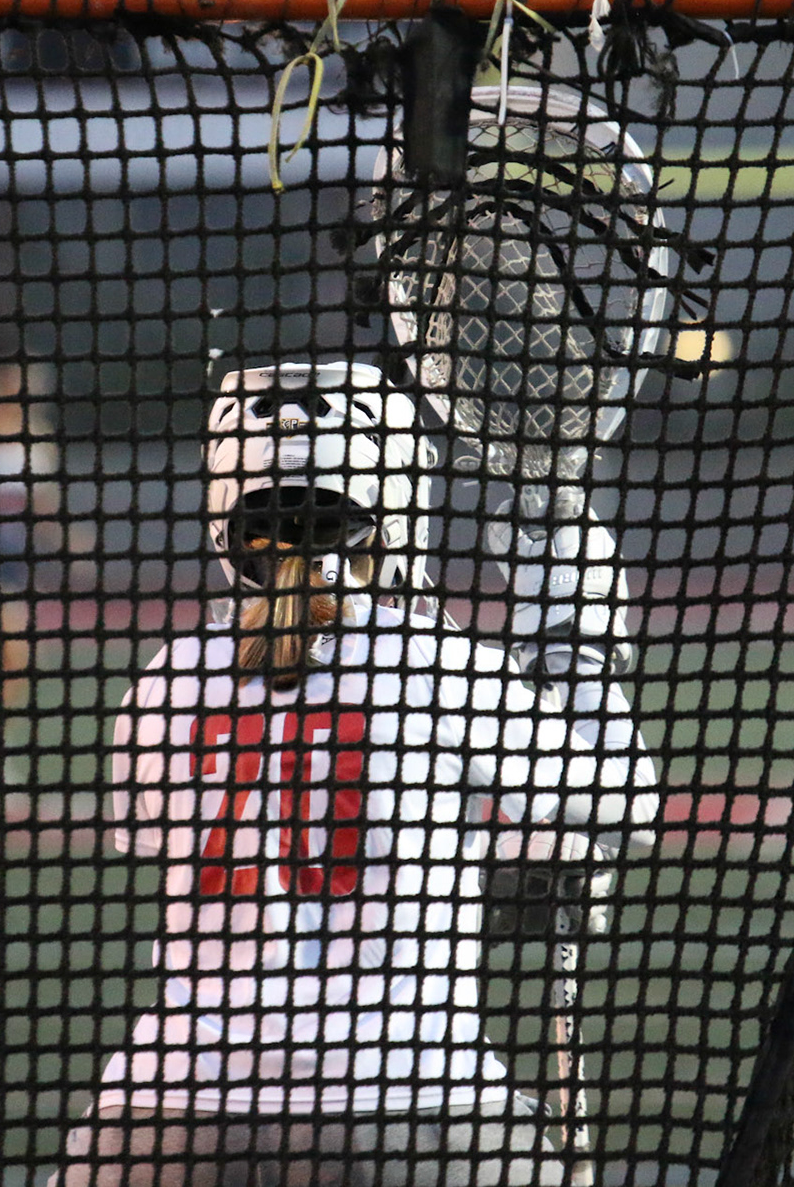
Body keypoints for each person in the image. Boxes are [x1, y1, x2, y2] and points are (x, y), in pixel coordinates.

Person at [60, 359, 657, 1187]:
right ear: (392, 504)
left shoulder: (169, 677)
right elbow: (624, 801)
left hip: (169, 1110)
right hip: (411, 1102)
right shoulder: (436, 665)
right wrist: (576, 645)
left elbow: (256, 837)